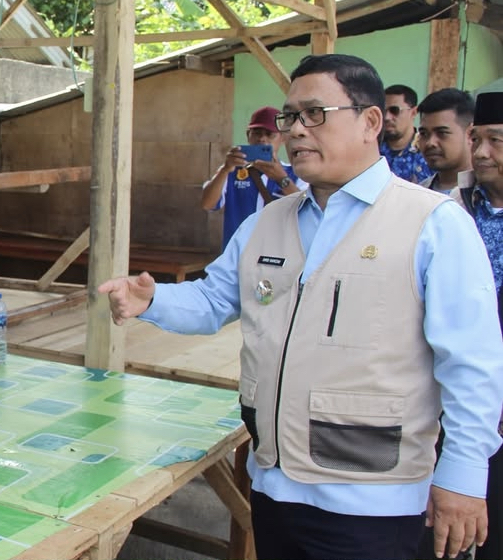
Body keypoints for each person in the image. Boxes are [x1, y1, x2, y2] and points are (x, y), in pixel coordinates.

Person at [100, 54, 503, 560]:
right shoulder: (268, 223)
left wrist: (464, 477)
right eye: (290, 117)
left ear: (370, 122)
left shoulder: (434, 224)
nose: (295, 130)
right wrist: (153, 298)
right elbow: (212, 300)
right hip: (274, 486)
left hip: (372, 502)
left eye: (315, 113)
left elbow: (472, 364)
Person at [450, 91, 503, 560]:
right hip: (459, 400)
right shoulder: (451, 208)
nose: (483, 153)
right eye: (477, 139)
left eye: (497, 141)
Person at [201, 106, 305, 249]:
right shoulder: (231, 171)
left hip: (277, 254)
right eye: (257, 133)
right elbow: (208, 204)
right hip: (237, 255)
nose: (262, 139)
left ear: (282, 138)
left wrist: (282, 179)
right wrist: (225, 169)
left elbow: (307, 210)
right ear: (248, 135)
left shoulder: (295, 173)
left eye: (270, 134)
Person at [418, 88, 474, 193]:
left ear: (470, 134)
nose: (430, 143)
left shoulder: (486, 197)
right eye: (424, 134)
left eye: (442, 133)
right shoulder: (418, 193)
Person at [380, 84, 432, 183]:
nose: (387, 117)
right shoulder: (372, 150)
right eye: (383, 111)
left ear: (413, 112)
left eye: (394, 110)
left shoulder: (427, 152)